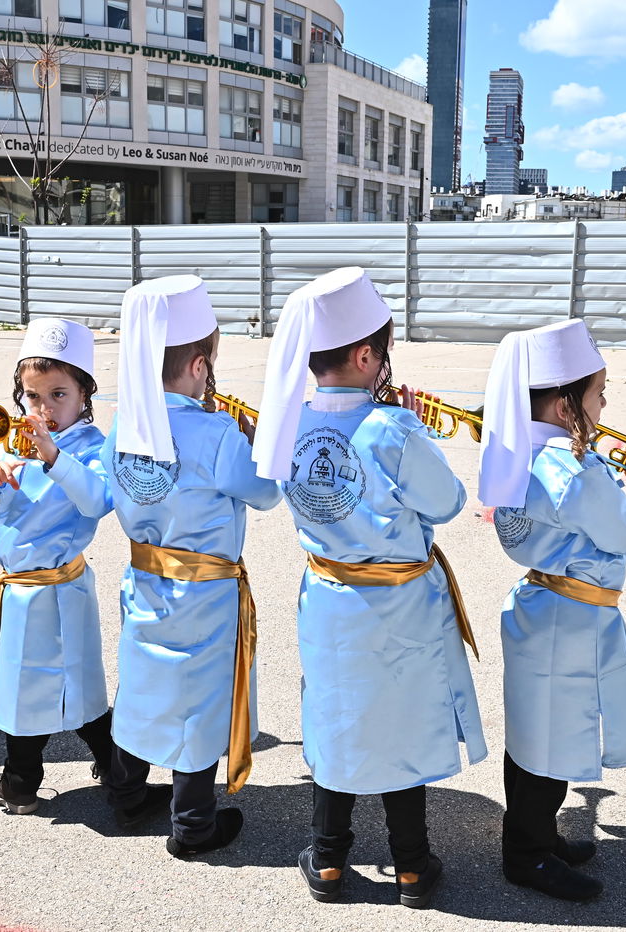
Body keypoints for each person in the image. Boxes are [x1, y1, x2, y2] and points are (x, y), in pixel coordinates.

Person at [251, 267, 486, 909]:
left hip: (329, 598)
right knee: (399, 729)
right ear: (364, 355)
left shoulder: (290, 422)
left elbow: (276, 491)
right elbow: (448, 502)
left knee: (338, 721)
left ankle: (328, 860)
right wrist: (413, 429)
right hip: (398, 603)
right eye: (383, 351)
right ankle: (411, 866)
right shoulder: (390, 428)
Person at [479, 319, 626, 902]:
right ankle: (528, 855)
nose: (604, 403)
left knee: (542, 734)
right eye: (598, 394)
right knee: (546, 741)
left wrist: (610, 473)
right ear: (565, 405)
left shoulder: (530, 453)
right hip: (569, 616)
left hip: (547, 605)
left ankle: (539, 837)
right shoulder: (572, 470)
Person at [103, 275, 281, 857]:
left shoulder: (121, 432)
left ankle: (127, 792)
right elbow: (264, 493)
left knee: (144, 683)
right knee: (197, 700)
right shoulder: (216, 433)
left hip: (145, 582)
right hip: (203, 592)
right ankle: (193, 826)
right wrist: (255, 443)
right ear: (200, 367)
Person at [0, 318, 114, 814]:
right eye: (31, 395)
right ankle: (106, 767)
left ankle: (31, 778)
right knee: (28, 685)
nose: (42, 409)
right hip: (18, 588)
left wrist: (53, 458)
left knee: (72, 682)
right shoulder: (16, 435)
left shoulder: (92, 446)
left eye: (58, 394)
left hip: (58, 586)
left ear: (85, 394)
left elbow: (97, 500)